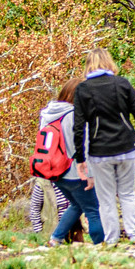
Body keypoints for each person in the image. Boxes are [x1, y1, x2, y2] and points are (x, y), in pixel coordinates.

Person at [67, 49, 135, 243]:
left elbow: (78, 127)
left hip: (100, 151)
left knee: (106, 199)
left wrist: (80, 159)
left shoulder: (83, 90)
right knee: (128, 192)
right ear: (109, 62)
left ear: (88, 65)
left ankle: (112, 239)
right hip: (128, 146)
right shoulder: (122, 84)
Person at [33, 93, 104, 246]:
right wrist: (89, 173)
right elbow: (80, 148)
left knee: (76, 205)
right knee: (93, 210)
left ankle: (55, 239)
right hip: (74, 172)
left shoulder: (47, 114)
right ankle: (101, 245)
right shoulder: (74, 115)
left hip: (55, 173)